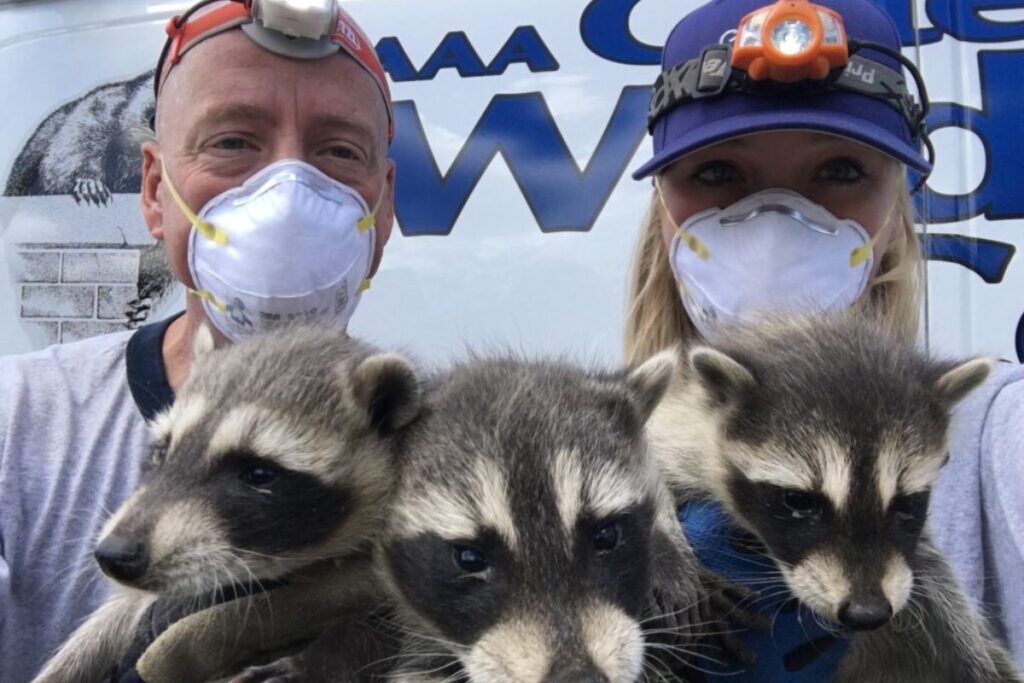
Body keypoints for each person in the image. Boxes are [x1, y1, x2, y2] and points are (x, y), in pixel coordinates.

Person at [625, 0, 1024, 676]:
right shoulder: (612, 427)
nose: (777, 220)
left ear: (896, 210)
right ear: (664, 208)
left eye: (838, 171)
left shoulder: (993, 425)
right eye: (720, 173)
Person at [0, 1, 397, 679]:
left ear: (383, 206)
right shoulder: (21, 416)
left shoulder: (406, 427)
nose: (289, 191)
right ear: (154, 190)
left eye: (338, 150)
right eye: (233, 142)